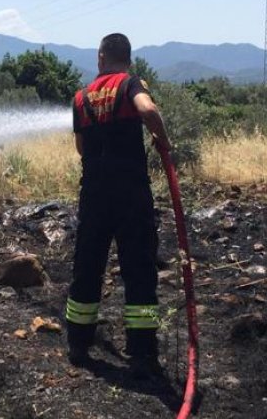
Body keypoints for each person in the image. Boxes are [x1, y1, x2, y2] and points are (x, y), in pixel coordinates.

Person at [66, 33, 172, 378]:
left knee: (87, 265)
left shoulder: (81, 97)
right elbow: (148, 109)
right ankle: (142, 349)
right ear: (127, 58)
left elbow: (81, 149)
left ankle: (79, 344)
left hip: (94, 193)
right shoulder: (130, 84)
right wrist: (162, 141)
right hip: (130, 192)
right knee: (139, 268)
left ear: (100, 58)